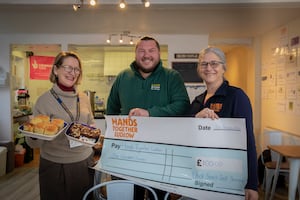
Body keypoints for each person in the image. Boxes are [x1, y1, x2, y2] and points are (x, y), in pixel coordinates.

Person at [106, 36, 190, 199]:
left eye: (151, 50)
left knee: (158, 196)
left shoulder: (172, 77)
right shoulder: (123, 77)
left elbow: (183, 106)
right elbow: (112, 109)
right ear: (135, 54)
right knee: (130, 195)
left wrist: (150, 113)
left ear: (159, 53)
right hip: (128, 155)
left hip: (161, 155)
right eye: (141, 51)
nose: (146, 55)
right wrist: (113, 139)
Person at [188, 47, 259, 200]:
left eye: (214, 63)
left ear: (223, 67)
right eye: (204, 64)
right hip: (199, 176)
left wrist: (252, 184)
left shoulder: (236, 96)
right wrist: (196, 119)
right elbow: (186, 135)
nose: (209, 68)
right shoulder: (197, 101)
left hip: (228, 177)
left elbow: (248, 141)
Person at [26, 51, 95, 200]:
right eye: (68, 68)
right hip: (54, 165)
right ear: (56, 70)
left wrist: (95, 135)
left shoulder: (83, 97)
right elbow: (33, 143)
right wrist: (33, 134)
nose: (73, 73)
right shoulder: (43, 101)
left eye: (76, 69)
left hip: (84, 161)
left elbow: (91, 123)